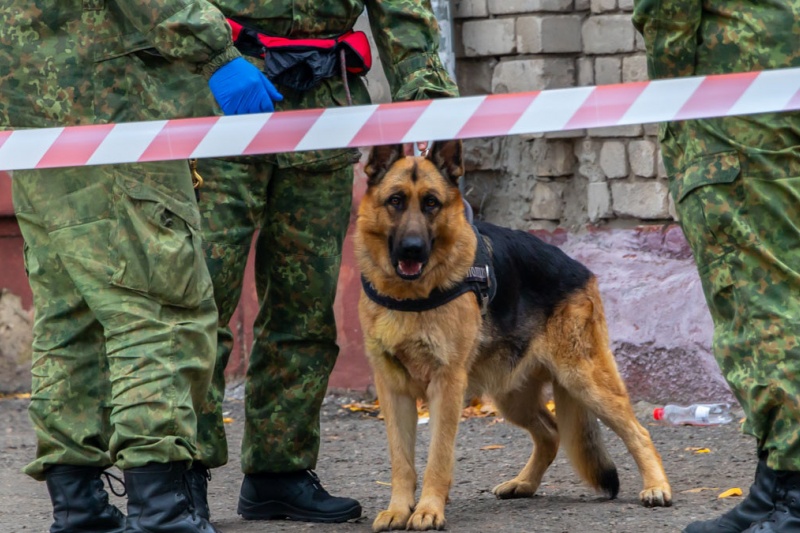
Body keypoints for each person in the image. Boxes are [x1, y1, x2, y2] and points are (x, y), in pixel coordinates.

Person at [172, 0, 459, 523]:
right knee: (199, 302)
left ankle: (279, 472)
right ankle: (178, 475)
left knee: (305, 308)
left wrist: (426, 92)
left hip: (322, 106)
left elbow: (401, 8)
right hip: (225, 97)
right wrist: (216, 55)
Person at [0, 1, 281, 531]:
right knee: (158, 312)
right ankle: (162, 511)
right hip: (116, 112)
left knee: (70, 319)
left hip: (29, 119)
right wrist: (217, 52)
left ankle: (78, 506)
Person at [632, 2, 800, 532]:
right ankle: (775, 486)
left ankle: (794, 497)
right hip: (774, 68)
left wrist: (676, 90)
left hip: (734, 94)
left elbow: (669, 15)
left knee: (761, 300)